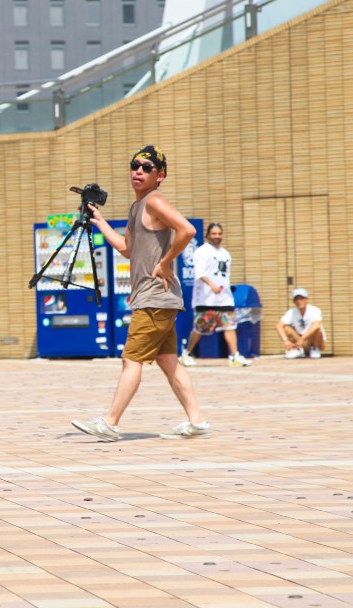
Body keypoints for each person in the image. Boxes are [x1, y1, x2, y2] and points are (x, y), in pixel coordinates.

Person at [72, 146, 211, 441]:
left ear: (160, 176)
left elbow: (187, 230)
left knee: (130, 360)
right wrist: (99, 221)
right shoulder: (137, 207)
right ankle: (197, 421)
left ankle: (110, 423)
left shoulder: (155, 200)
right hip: (159, 299)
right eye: (135, 165)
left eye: (147, 167)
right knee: (168, 361)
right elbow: (127, 249)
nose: (138, 171)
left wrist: (165, 262)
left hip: (154, 297)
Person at [180, 222, 252, 368]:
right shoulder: (202, 251)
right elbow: (200, 273)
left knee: (230, 326)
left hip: (224, 299)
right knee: (200, 329)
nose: (217, 236)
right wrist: (211, 285)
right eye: (214, 234)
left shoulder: (225, 254)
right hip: (205, 300)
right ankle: (187, 353)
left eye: (219, 234)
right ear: (208, 235)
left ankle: (234, 355)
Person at [277, 288, 326, 359]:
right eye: (296, 299)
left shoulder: (315, 310)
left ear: (307, 299)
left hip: (312, 340)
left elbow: (316, 325)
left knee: (317, 329)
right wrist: (286, 340)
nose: (299, 301)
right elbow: (279, 325)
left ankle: (314, 349)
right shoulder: (292, 312)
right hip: (300, 340)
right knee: (285, 328)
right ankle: (298, 349)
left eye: (301, 298)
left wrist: (302, 339)